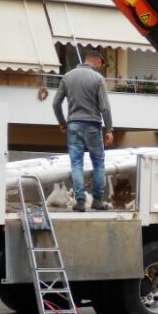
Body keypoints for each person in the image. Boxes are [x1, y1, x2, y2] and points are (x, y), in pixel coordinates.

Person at [52, 50, 114, 212]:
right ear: (97, 62)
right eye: (101, 65)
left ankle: (80, 201)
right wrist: (109, 129)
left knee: (76, 163)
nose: (100, 68)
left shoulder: (68, 77)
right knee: (98, 162)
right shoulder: (98, 79)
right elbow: (105, 108)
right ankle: (97, 200)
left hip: (73, 125)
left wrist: (62, 123)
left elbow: (56, 103)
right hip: (93, 125)